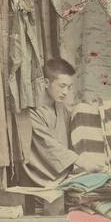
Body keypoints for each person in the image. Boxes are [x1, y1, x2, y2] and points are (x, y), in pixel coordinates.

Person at [19, 58, 83, 187]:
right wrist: (80, 160)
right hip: (39, 177)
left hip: (64, 172)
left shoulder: (61, 108)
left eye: (69, 87)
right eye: (62, 86)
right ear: (46, 83)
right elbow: (48, 145)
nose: (65, 92)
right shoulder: (32, 113)